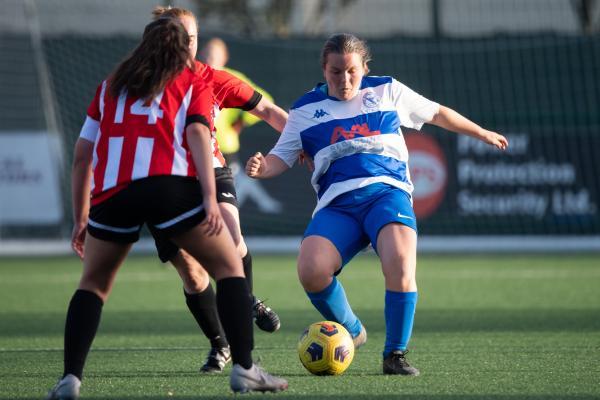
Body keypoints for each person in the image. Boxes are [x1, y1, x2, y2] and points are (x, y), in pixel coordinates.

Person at [45, 17, 287, 400]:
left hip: (112, 194)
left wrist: (81, 218)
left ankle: (69, 380)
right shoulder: (193, 80)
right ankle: (245, 369)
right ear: (182, 47)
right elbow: (196, 133)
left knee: (92, 285)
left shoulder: (110, 86)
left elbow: (81, 157)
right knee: (228, 266)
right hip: (167, 186)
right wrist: (209, 197)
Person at [246, 33, 508, 376]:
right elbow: (281, 157)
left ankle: (395, 355)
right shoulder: (304, 110)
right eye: (336, 72)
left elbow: (438, 113)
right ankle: (353, 331)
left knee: (400, 260)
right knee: (310, 270)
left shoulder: (387, 91)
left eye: (352, 71)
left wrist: (482, 133)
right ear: (324, 70)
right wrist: (262, 168)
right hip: (338, 205)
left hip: (387, 194)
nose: (345, 79)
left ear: (365, 68)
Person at [148, 7, 288, 374]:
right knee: (192, 273)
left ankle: (243, 336)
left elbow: (271, 113)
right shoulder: (142, 82)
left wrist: (305, 143)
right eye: (178, 36)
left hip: (212, 169)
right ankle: (221, 343)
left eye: (191, 37)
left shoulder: (212, 78)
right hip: (162, 182)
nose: (185, 44)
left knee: (232, 237)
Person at [200, 37, 282, 213]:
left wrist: (241, 122)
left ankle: (261, 205)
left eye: (214, 56)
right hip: (198, 146)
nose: (209, 60)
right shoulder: (194, 77)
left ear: (224, 58)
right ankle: (262, 204)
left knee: (232, 183)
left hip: (224, 145)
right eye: (206, 55)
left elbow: (266, 104)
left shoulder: (231, 79)